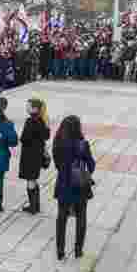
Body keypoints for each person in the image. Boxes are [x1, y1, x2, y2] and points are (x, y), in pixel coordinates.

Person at [52, 115, 96, 260]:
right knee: (81, 216)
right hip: (80, 185)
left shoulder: (58, 143)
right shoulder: (83, 144)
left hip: (64, 183)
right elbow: (91, 166)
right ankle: (78, 250)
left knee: (61, 217)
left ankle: (60, 251)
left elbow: (57, 164)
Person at [19, 97, 50, 214]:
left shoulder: (30, 121)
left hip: (29, 155)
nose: (26, 107)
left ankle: (33, 207)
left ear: (35, 109)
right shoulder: (42, 120)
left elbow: (24, 138)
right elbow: (46, 136)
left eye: (28, 106)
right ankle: (36, 205)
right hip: (37, 154)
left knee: (30, 180)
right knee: (34, 179)